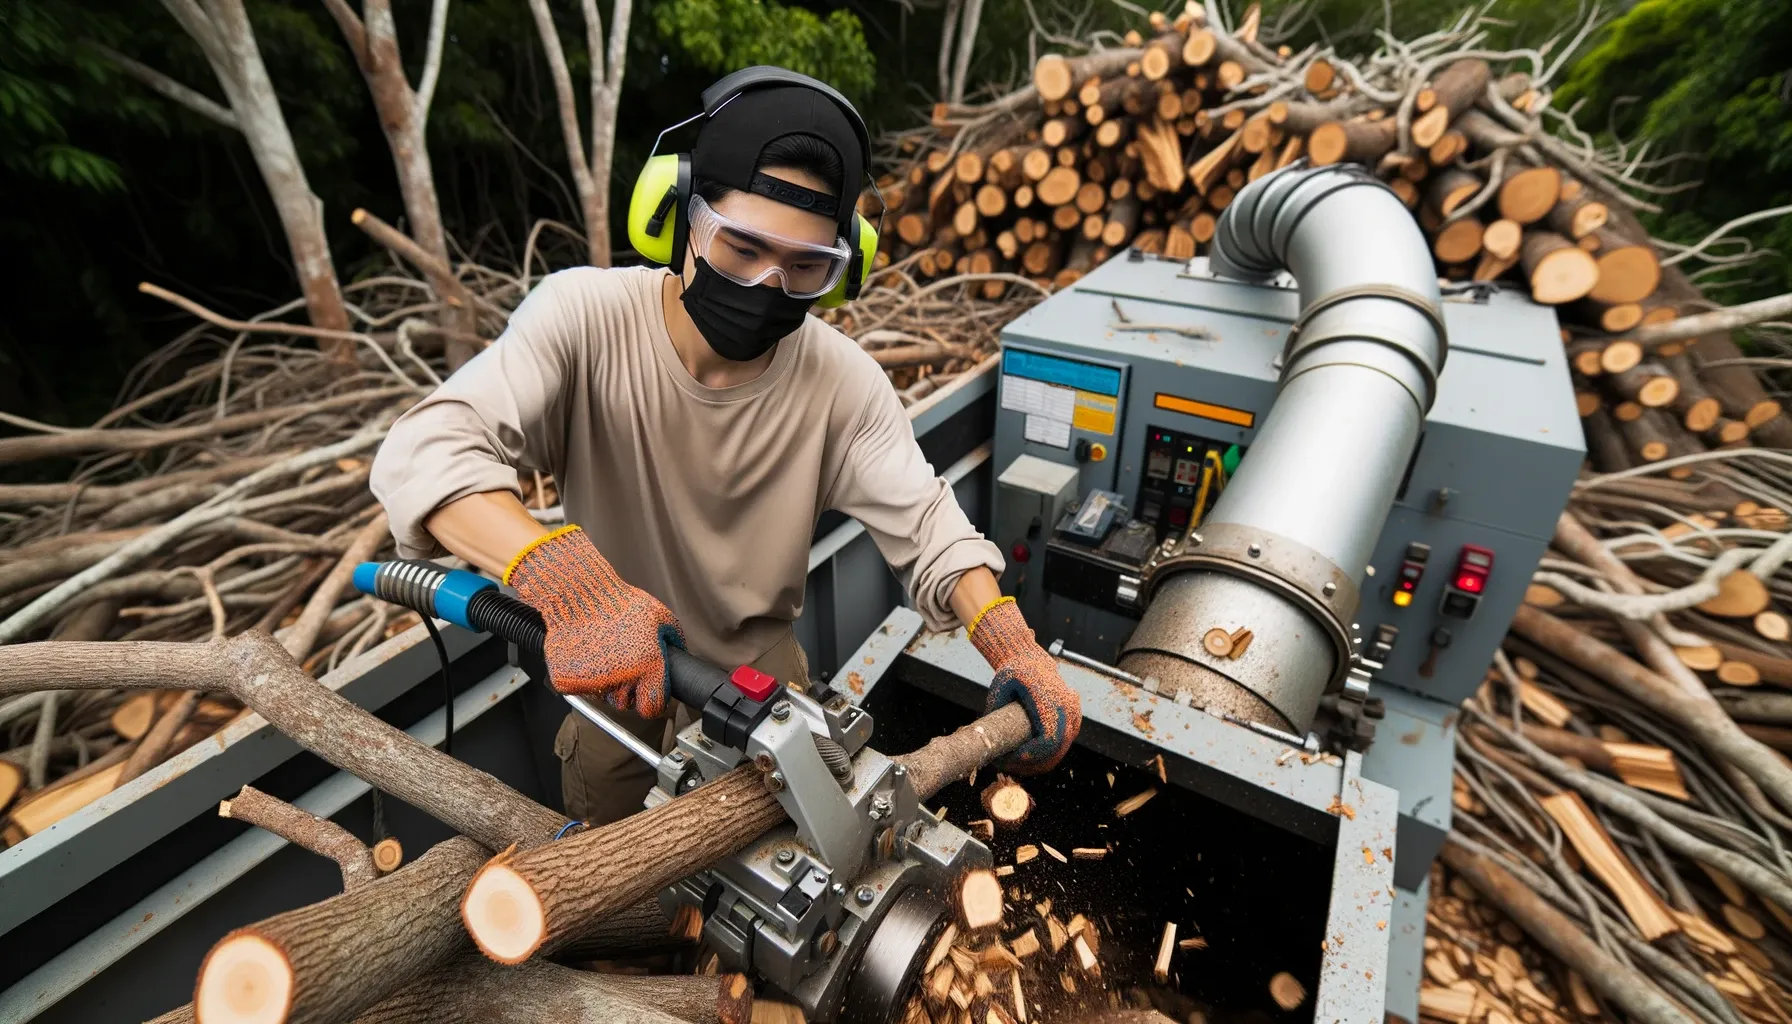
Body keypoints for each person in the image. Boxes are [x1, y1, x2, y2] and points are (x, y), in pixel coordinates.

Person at [369, 67, 1081, 829]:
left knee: (789, 866)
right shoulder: (583, 322)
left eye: (807, 267)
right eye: (740, 247)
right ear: (677, 217)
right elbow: (426, 448)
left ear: (843, 274)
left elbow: (931, 529)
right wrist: (569, 584)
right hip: (615, 671)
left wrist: (1010, 641)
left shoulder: (843, 385)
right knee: (617, 877)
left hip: (761, 677)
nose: (767, 283)